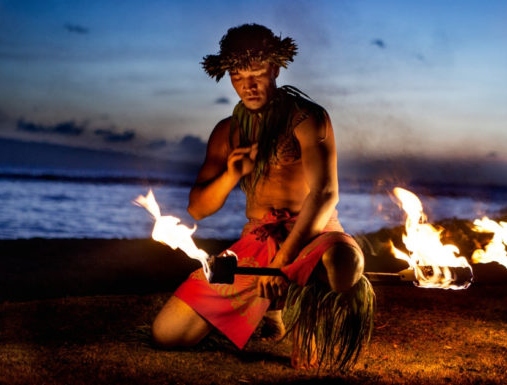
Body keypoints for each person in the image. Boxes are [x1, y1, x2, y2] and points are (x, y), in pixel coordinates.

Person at [150, 24, 374, 369]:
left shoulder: (308, 118)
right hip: (257, 241)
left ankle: (301, 310)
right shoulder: (227, 131)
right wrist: (231, 175)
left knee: (345, 266)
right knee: (168, 334)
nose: (248, 85)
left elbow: (326, 194)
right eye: (238, 76)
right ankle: (271, 311)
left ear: (275, 69)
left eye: (256, 74)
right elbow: (198, 208)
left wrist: (284, 263)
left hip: (315, 236)